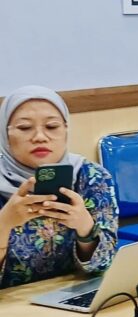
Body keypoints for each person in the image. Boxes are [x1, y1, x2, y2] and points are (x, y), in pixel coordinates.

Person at [0, 85, 118, 289]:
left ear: (65, 130)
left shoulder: (91, 177)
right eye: (25, 128)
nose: (40, 137)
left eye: (52, 126)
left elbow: (104, 265)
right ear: (4, 134)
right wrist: (4, 224)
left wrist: (85, 228)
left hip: (70, 295)